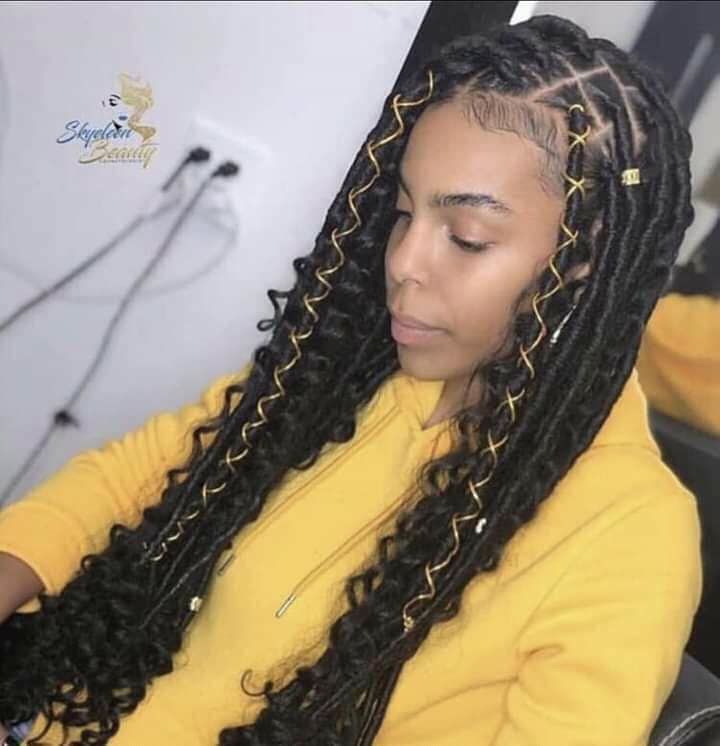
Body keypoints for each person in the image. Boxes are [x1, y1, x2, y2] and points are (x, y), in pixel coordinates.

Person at [0, 13, 703, 746]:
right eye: (403, 214)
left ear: (584, 262)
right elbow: (123, 480)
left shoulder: (627, 536)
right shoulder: (343, 380)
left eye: (466, 238)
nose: (403, 263)